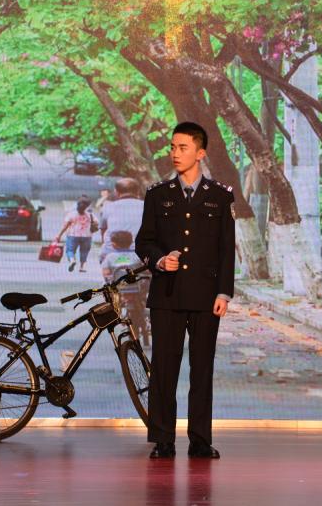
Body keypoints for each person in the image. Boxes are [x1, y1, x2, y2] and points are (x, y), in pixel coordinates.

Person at [135, 121, 235, 459]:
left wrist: (223, 293)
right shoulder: (157, 194)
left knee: (202, 369)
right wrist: (160, 260)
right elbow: (144, 242)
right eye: (172, 147)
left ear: (200, 153)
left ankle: (200, 440)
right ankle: (163, 439)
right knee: (164, 369)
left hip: (206, 296)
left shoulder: (220, 196)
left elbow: (226, 249)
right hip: (167, 294)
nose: (175, 153)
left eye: (183, 148)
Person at [100, 178, 143, 263]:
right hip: (140, 251)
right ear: (138, 192)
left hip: (112, 251)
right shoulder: (148, 206)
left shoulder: (108, 207)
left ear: (116, 192)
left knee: (104, 261)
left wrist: (105, 244)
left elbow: (103, 229)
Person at [55, 196, 96, 272]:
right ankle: (82, 267)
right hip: (87, 236)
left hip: (73, 235)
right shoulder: (90, 215)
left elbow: (65, 226)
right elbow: (96, 223)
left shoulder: (71, 214)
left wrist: (59, 235)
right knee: (84, 251)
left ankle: (72, 260)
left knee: (70, 250)